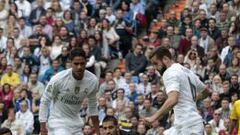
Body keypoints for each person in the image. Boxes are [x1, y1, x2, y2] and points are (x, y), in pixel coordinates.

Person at [145, 46, 209, 135]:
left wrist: (154, 117)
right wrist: (192, 99)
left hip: (188, 126)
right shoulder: (186, 71)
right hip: (185, 124)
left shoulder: (169, 72)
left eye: (156, 63)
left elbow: (173, 99)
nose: (155, 68)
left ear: (165, 59)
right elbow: (206, 91)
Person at [39, 48, 100, 135]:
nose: (79, 67)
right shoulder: (58, 79)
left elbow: (93, 107)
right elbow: (45, 101)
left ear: (86, 62)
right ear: (71, 63)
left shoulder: (92, 80)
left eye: (82, 63)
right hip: (58, 122)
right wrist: (43, 127)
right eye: (76, 64)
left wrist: (98, 132)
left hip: (76, 124)